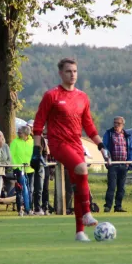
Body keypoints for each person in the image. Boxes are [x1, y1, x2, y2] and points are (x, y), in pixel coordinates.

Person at [31, 57, 110, 242]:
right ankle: (87, 213)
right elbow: (38, 123)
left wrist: (101, 145)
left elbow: (89, 126)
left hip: (76, 144)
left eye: (75, 71)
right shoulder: (52, 95)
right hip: (58, 143)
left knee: (78, 184)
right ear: (61, 73)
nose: (72, 74)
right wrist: (36, 151)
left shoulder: (82, 97)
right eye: (68, 71)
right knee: (82, 169)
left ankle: (79, 232)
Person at [102, 116, 132, 213]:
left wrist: (129, 161)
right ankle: (108, 206)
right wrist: (108, 160)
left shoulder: (127, 135)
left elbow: (131, 149)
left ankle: (118, 206)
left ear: (122, 125)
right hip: (113, 164)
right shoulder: (109, 134)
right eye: (114, 123)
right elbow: (104, 147)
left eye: (118, 123)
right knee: (111, 186)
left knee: (121, 187)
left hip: (124, 165)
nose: (116, 125)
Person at [10, 125, 34, 216]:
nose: (18, 133)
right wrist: (16, 168)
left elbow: (33, 154)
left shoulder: (32, 142)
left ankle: (29, 209)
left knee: (30, 189)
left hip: (30, 169)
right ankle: (22, 209)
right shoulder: (15, 142)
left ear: (25, 134)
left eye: (20, 132)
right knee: (22, 189)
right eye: (18, 132)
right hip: (19, 169)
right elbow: (12, 156)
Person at [32, 128, 51, 215]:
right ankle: (36, 207)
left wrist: (43, 162)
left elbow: (45, 153)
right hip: (34, 166)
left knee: (43, 188)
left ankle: (43, 207)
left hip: (41, 166)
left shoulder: (41, 139)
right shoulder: (32, 140)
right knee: (36, 188)